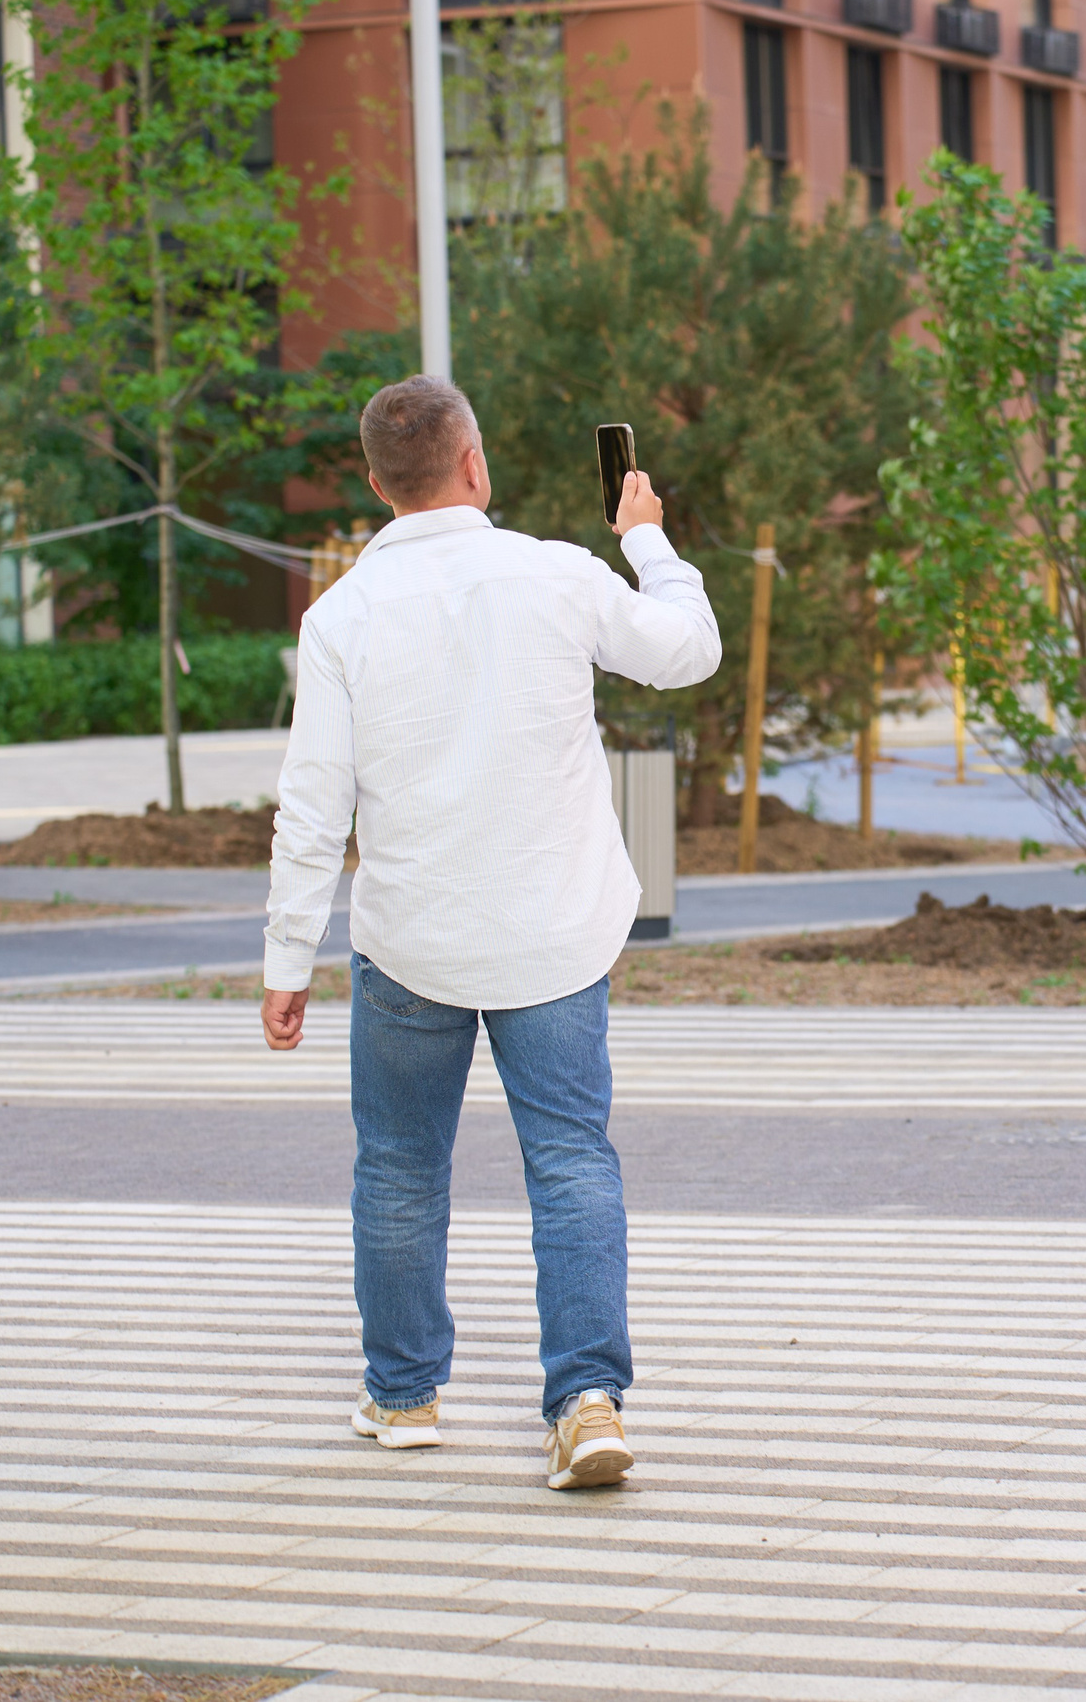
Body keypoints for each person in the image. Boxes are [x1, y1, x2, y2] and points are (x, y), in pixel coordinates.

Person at [258, 375, 720, 1490]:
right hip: (554, 937)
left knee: (401, 1167)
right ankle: (587, 1400)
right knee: (570, 1162)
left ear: (377, 483)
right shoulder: (560, 574)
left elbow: (312, 806)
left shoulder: (340, 618)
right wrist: (648, 541)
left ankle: (405, 1394)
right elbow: (687, 650)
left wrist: (285, 963)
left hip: (410, 942)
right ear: (475, 463)